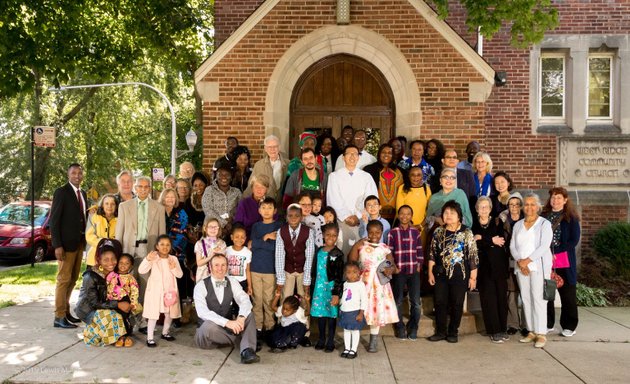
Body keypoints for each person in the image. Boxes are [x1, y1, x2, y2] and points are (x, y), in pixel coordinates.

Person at [194, 254, 260, 364]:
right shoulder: (201, 286)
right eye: (216, 265)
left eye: (223, 265)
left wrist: (241, 317)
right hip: (207, 335)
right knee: (208, 326)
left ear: (227, 266)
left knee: (249, 314)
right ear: (210, 267)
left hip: (226, 331)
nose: (220, 269)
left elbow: (244, 299)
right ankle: (244, 341)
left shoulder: (232, 282)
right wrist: (227, 322)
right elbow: (202, 312)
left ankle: (247, 351)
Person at [427, 201, 478, 343]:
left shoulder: (466, 232)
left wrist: (473, 277)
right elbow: (432, 253)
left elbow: (473, 256)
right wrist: (430, 272)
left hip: (460, 275)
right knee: (439, 302)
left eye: (452, 213)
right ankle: (440, 331)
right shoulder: (438, 231)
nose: (448, 216)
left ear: (459, 216)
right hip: (440, 274)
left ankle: (453, 331)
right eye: (446, 213)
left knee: (457, 303)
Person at [510, 193, 553, 348]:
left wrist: (527, 261)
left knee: (538, 298)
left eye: (532, 204)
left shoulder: (544, 224)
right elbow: (512, 246)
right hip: (521, 268)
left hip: (537, 267)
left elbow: (544, 246)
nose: (529, 207)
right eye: (526, 204)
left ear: (539, 206)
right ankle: (531, 331)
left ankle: (541, 333)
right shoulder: (518, 225)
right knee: (526, 299)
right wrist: (521, 262)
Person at [348, 220, 398, 353]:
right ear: (367, 232)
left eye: (377, 232)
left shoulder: (384, 248)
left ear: (382, 232)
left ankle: (373, 340)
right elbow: (352, 260)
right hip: (363, 283)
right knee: (360, 309)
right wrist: (357, 245)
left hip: (379, 285)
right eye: (371, 232)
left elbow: (392, 264)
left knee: (376, 310)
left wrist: (390, 269)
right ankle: (354, 340)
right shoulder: (362, 245)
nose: (374, 234)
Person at [116, 176, 166, 307]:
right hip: (129, 249)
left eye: (146, 187)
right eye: (140, 187)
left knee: (146, 283)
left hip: (149, 250)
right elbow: (119, 233)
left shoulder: (159, 208)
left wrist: (160, 254)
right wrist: (119, 252)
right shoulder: (124, 207)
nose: (143, 189)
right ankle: (129, 316)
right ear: (135, 188)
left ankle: (144, 318)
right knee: (128, 283)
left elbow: (162, 235)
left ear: (149, 188)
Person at [50, 163, 88, 329]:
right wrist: (57, 245)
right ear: (68, 174)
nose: (77, 176)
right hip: (65, 246)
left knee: (72, 279)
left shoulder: (83, 194)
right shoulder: (61, 192)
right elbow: (54, 221)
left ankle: (65, 312)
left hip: (79, 244)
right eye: (74, 173)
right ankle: (59, 316)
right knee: (63, 280)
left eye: (80, 173)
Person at [542, 187, 581, 337]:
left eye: (559, 198)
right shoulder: (544, 216)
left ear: (565, 200)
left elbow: (573, 240)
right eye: (553, 197)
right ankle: (547, 323)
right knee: (548, 293)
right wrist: (547, 253)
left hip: (564, 260)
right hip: (546, 260)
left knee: (567, 294)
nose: (555, 200)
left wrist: (556, 252)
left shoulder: (571, 217)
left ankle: (569, 326)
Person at [75, 239, 129, 346]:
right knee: (113, 316)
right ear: (99, 260)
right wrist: (118, 304)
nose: (111, 263)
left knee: (123, 314)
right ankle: (92, 333)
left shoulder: (114, 275)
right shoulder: (90, 276)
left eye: (113, 259)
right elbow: (94, 303)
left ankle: (114, 334)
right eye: (106, 260)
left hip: (105, 306)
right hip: (89, 310)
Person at [327, 144, 378, 255]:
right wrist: (346, 217)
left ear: (358, 157)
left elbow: (371, 199)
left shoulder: (366, 177)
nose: (352, 156)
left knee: (362, 254)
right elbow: (333, 199)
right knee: (343, 252)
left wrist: (359, 216)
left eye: (355, 154)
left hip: (362, 221)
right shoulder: (334, 176)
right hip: (342, 221)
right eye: (349, 154)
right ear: (343, 157)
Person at [472, 196, 509, 343]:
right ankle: (494, 330)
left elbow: (500, 240)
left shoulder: (497, 222)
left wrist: (483, 239)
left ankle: (503, 328)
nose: (484, 209)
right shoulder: (473, 225)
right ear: (476, 209)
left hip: (499, 265)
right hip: (483, 267)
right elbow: (473, 243)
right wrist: (490, 240)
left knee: (501, 298)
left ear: (491, 209)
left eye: (486, 207)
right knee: (489, 299)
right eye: (481, 207)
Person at [139, 235, 183, 347]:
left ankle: (165, 332)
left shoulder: (174, 259)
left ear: (171, 247)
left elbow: (180, 275)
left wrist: (173, 267)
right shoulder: (153, 258)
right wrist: (147, 259)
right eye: (162, 244)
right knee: (153, 314)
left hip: (169, 292)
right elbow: (141, 270)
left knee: (169, 313)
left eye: (168, 245)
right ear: (157, 246)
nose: (165, 247)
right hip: (155, 292)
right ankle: (150, 338)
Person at [249, 197, 282, 347]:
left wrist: (260, 243)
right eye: (264, 207)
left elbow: (275, 248)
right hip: (255, 268)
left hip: (270, 269)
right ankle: (257, 328)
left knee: (268, 300)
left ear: (275, 211)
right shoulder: (256, 227)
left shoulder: (279, 226)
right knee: (257, 300)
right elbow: (251, 245)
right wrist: (267, 237)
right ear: (259, 210)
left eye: (270, 208)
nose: (266, 210)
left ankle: (269, 328)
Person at [388, 205, 423, 340]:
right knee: (397, 301)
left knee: (415, 301)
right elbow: (389, 252)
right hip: (399, 271)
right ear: (398, 215)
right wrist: (393, 267)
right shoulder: (393, 233)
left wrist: (419, 265)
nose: (404, 216)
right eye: (402, 213)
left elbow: (419, 250)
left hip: (413, 270)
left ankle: (413, 327)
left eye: (408, 214)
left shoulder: (415, 232)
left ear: (411, 216)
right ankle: (400, 327)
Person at [310, 223, 344, 352]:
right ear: (323, 235)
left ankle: (330, 340)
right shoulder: (319, 251)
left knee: (331, 315)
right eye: (328, 235)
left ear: (337, 237)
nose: (331, 237)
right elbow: (314, 270)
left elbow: (339, 276)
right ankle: (321, 338)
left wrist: (336, 293)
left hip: (331, 289)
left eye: (334, 235)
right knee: (320, 315)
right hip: (319, 289)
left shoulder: (338, 254)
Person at [159, 188, 190, 319]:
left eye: (173, 196)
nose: (170, 199)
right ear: (163, 198)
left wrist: (169, 250)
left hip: (176, 253)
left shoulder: (181, 212)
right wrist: (161, 249)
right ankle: (162, 314)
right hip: (160, 252)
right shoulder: (158, 211)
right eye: (167, 196)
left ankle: (177, 316)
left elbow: (181, 233)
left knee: (177, 284)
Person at [275, 204, 315, 303]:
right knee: (285, 296)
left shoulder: (308, 232)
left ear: (301, 217)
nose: (293, 218)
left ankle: (304, 318)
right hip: (288, 269)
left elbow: (309, 256)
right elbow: (279, 256)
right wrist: (280, 278)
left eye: (297, 216)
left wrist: (306, 279)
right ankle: (283, 318)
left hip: (303, 270)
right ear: (286, 217)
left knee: (304, 297)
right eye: (290, 216)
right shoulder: (281, 231)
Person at [499, 192, 526, 335]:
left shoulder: (528, 220)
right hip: (509, 260)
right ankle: (513, 324)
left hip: (525, 260)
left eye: (516, 204)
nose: (514, 207)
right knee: (511, 293)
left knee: (526, 294)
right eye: (511, 204)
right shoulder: (502, 220)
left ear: (521, 206)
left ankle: (527, 325)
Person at [363, 143, 404, 223]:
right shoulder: (369, 169)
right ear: (379, 154)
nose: (386, 155)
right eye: (383, 152)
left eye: (389, 153)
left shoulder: (401, 171)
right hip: (374, 214)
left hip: (396, 216)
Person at [106, 253, 140, 346]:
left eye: (126, 263)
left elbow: (134, 291)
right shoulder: (111, 275)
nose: (123, 265)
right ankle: (115, 336)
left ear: (131, 266)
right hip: (113, 301)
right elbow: (106, 287)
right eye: (121, 262)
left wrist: (133, 303)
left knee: (123, 318)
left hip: (125, 300)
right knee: (114, 318)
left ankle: (125, 336)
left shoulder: (131, 278)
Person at [339, 261, 367, 359]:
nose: (352, 274)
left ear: (359, 272)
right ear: (345, 274)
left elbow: (364, 300)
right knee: (346, 330)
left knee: (355, 331)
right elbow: (343, 297)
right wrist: (341, 307)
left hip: (355, 312)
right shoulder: (345, 284)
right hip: (345, 311)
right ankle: (347, 348)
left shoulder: (360, 285)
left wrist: (361, 313)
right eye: (349, 272)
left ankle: (353, 349)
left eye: (355, 272)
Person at [248, 135, 288, 204]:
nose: (272, 149)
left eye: (275, 146)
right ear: (265, 149)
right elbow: (251, 186)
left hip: (283, 205)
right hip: (265, 206)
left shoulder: (288, 164)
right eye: (269, 147)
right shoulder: (259, 165)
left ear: (279, 147)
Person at [202, 166, 242, 234]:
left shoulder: (237, 192)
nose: (224, 177)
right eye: (220, 174)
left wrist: (232, 220)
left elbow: (241, 209)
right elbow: (208, 210)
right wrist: (224, 223)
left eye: (227, 175)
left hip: (231, 228)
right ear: (216, 176)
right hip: (212, 229)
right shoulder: (209, 190)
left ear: (231, 177)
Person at [396, 167, 431, 235]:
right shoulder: (402, 188)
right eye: (413, 175)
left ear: (422, 176)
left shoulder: (426, 188)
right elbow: (399, 209)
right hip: (405, 225)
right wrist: (411, 226)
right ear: (409, 176)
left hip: (422, 227)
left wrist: (421, 225)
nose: (416, 177)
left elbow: (429, 210)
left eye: (418, 175)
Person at [235, 174, 272, 238]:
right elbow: (238, 225)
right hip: (246, 239)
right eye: (256, 186)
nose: (259, 189)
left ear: (267, 189)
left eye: (262, 187)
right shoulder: (244, 203)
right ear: (252, 188)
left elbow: (274, 224)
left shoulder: (271, 203)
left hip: (266, 239)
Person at [85, 194, 118, 267]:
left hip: (112, 260)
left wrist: (111, 244)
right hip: (94, 258)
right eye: (106, 203)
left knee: (110, 278)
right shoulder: (94, 216)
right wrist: (102, 243)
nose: (109, 206)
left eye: (113, 204)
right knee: (91, 278)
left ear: (116, 206)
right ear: (102, 205)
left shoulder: (120, 219)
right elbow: (89, 236)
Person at [194, 217, 228, 282]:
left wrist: (219, 253)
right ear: (205, 228)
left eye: (215, 227)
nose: (213, 229)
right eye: (210, 227)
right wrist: (211, 256)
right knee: (205, 291)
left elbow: (224, 261)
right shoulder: (199, 244)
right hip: (203, 276)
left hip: (218, 275)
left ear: (219, 229)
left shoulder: (222, 243)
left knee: (219, 291)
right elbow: (199, 263)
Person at [225, 224, 252, 293]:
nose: (239, 239)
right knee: (229, 302)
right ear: (231, 237)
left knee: (240, 302)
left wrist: (249, 286)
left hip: (242, 282)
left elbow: (247, 270)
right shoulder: (226, 250)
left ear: (245, 238)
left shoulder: (248, 252)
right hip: (228, 281)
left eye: (242, 237)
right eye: (237, 237)